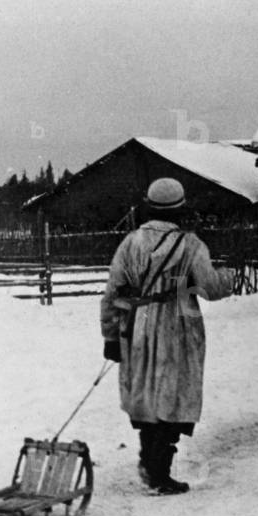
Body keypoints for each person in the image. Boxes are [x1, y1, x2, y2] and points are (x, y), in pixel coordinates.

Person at [100, 178, 235, 495]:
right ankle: (158, 471)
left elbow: (113, 293)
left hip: (138, 324)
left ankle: (151, 461)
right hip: (178, 323)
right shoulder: (191, 244)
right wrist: (228, 278)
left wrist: (110, 336)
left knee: (146, 394)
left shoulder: (130, 242)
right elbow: (209, 287)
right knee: (172, 395)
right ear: (181, 208)